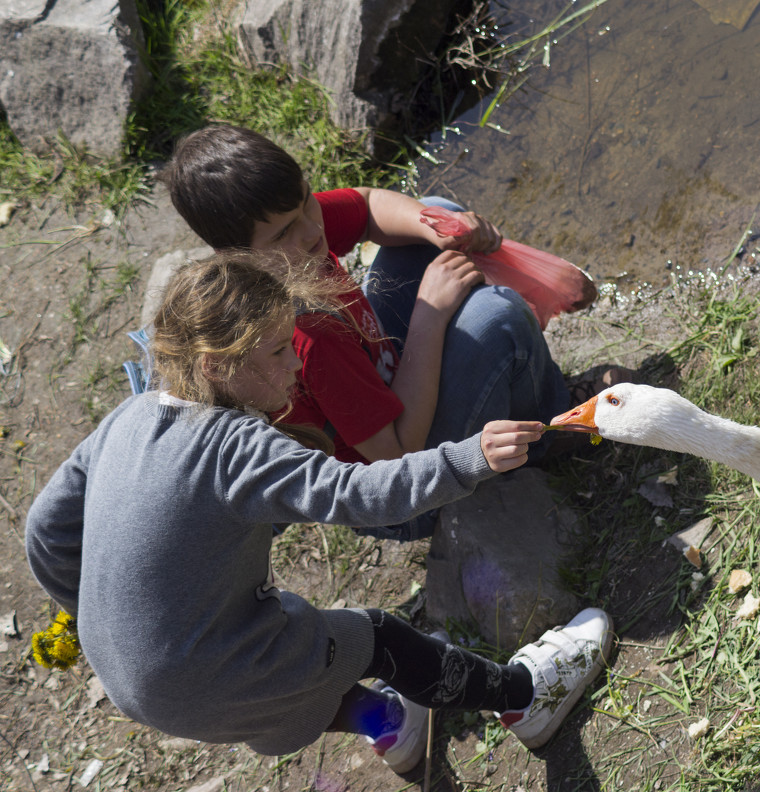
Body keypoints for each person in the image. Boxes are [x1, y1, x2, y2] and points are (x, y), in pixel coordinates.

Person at [24, 253, 614, 775]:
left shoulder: (129, 419)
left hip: (132, 680)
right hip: (206, 670)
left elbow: (44, 532)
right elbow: (358, 494)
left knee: (295, 665)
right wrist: (467, 458)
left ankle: (391, 726)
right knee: (376, 637)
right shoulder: (234, 447)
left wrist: (96, 608)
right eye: (279, 352)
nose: (294, 367)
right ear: (215, 366)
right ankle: (526, 697)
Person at [162, 125, 617, 487]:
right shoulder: (303, 336)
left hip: (384, 377)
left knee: (433, 212)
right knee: (494, 315)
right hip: (401, 486)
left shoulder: (292, 242)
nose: (310, 230)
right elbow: (401, 455)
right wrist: (429, 316)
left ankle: (522, 396)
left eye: (306, 200)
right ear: (236, 255)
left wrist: (438, 228)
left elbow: (367, 204)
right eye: (283, 232)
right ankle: (551, 427)